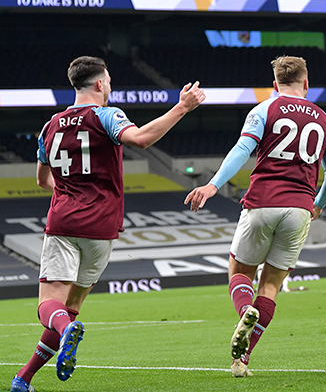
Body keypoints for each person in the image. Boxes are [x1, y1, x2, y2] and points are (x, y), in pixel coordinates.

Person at [10, 56, 205, 392]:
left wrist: (72, 190)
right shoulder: (107, 115)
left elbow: (43, 181)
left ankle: (60, 336)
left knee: (49, 304)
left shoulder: (50, 125)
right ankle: (23, 379)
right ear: (100, 83)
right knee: (70, 308)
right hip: (102, 226)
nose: (110, 85)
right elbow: (140, 139)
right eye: (109, 80)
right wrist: (182, 108)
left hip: (64, 221)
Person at [184, 56, 326, 376]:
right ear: (306, 84)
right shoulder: (324, 120)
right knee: (271, 286)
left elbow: (242, 150)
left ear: (274, 85)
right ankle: (242, 360)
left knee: (239, 272)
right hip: (300, 208)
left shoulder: (264, 109)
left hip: (262, 202)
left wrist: (213, 186)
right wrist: (318, 204)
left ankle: (245, 311)